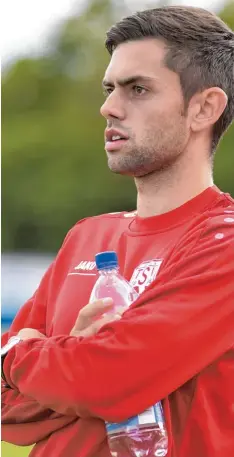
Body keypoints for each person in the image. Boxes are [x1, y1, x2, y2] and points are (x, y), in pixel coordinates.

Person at [1, 5, 234, 457]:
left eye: (138, 89)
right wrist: (73, 363)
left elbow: (107, 380)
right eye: (110, 88)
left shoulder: (222, 243)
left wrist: (19, 356)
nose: (109, 107)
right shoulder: (86, 236)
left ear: (204, 108)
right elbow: (8, 412)